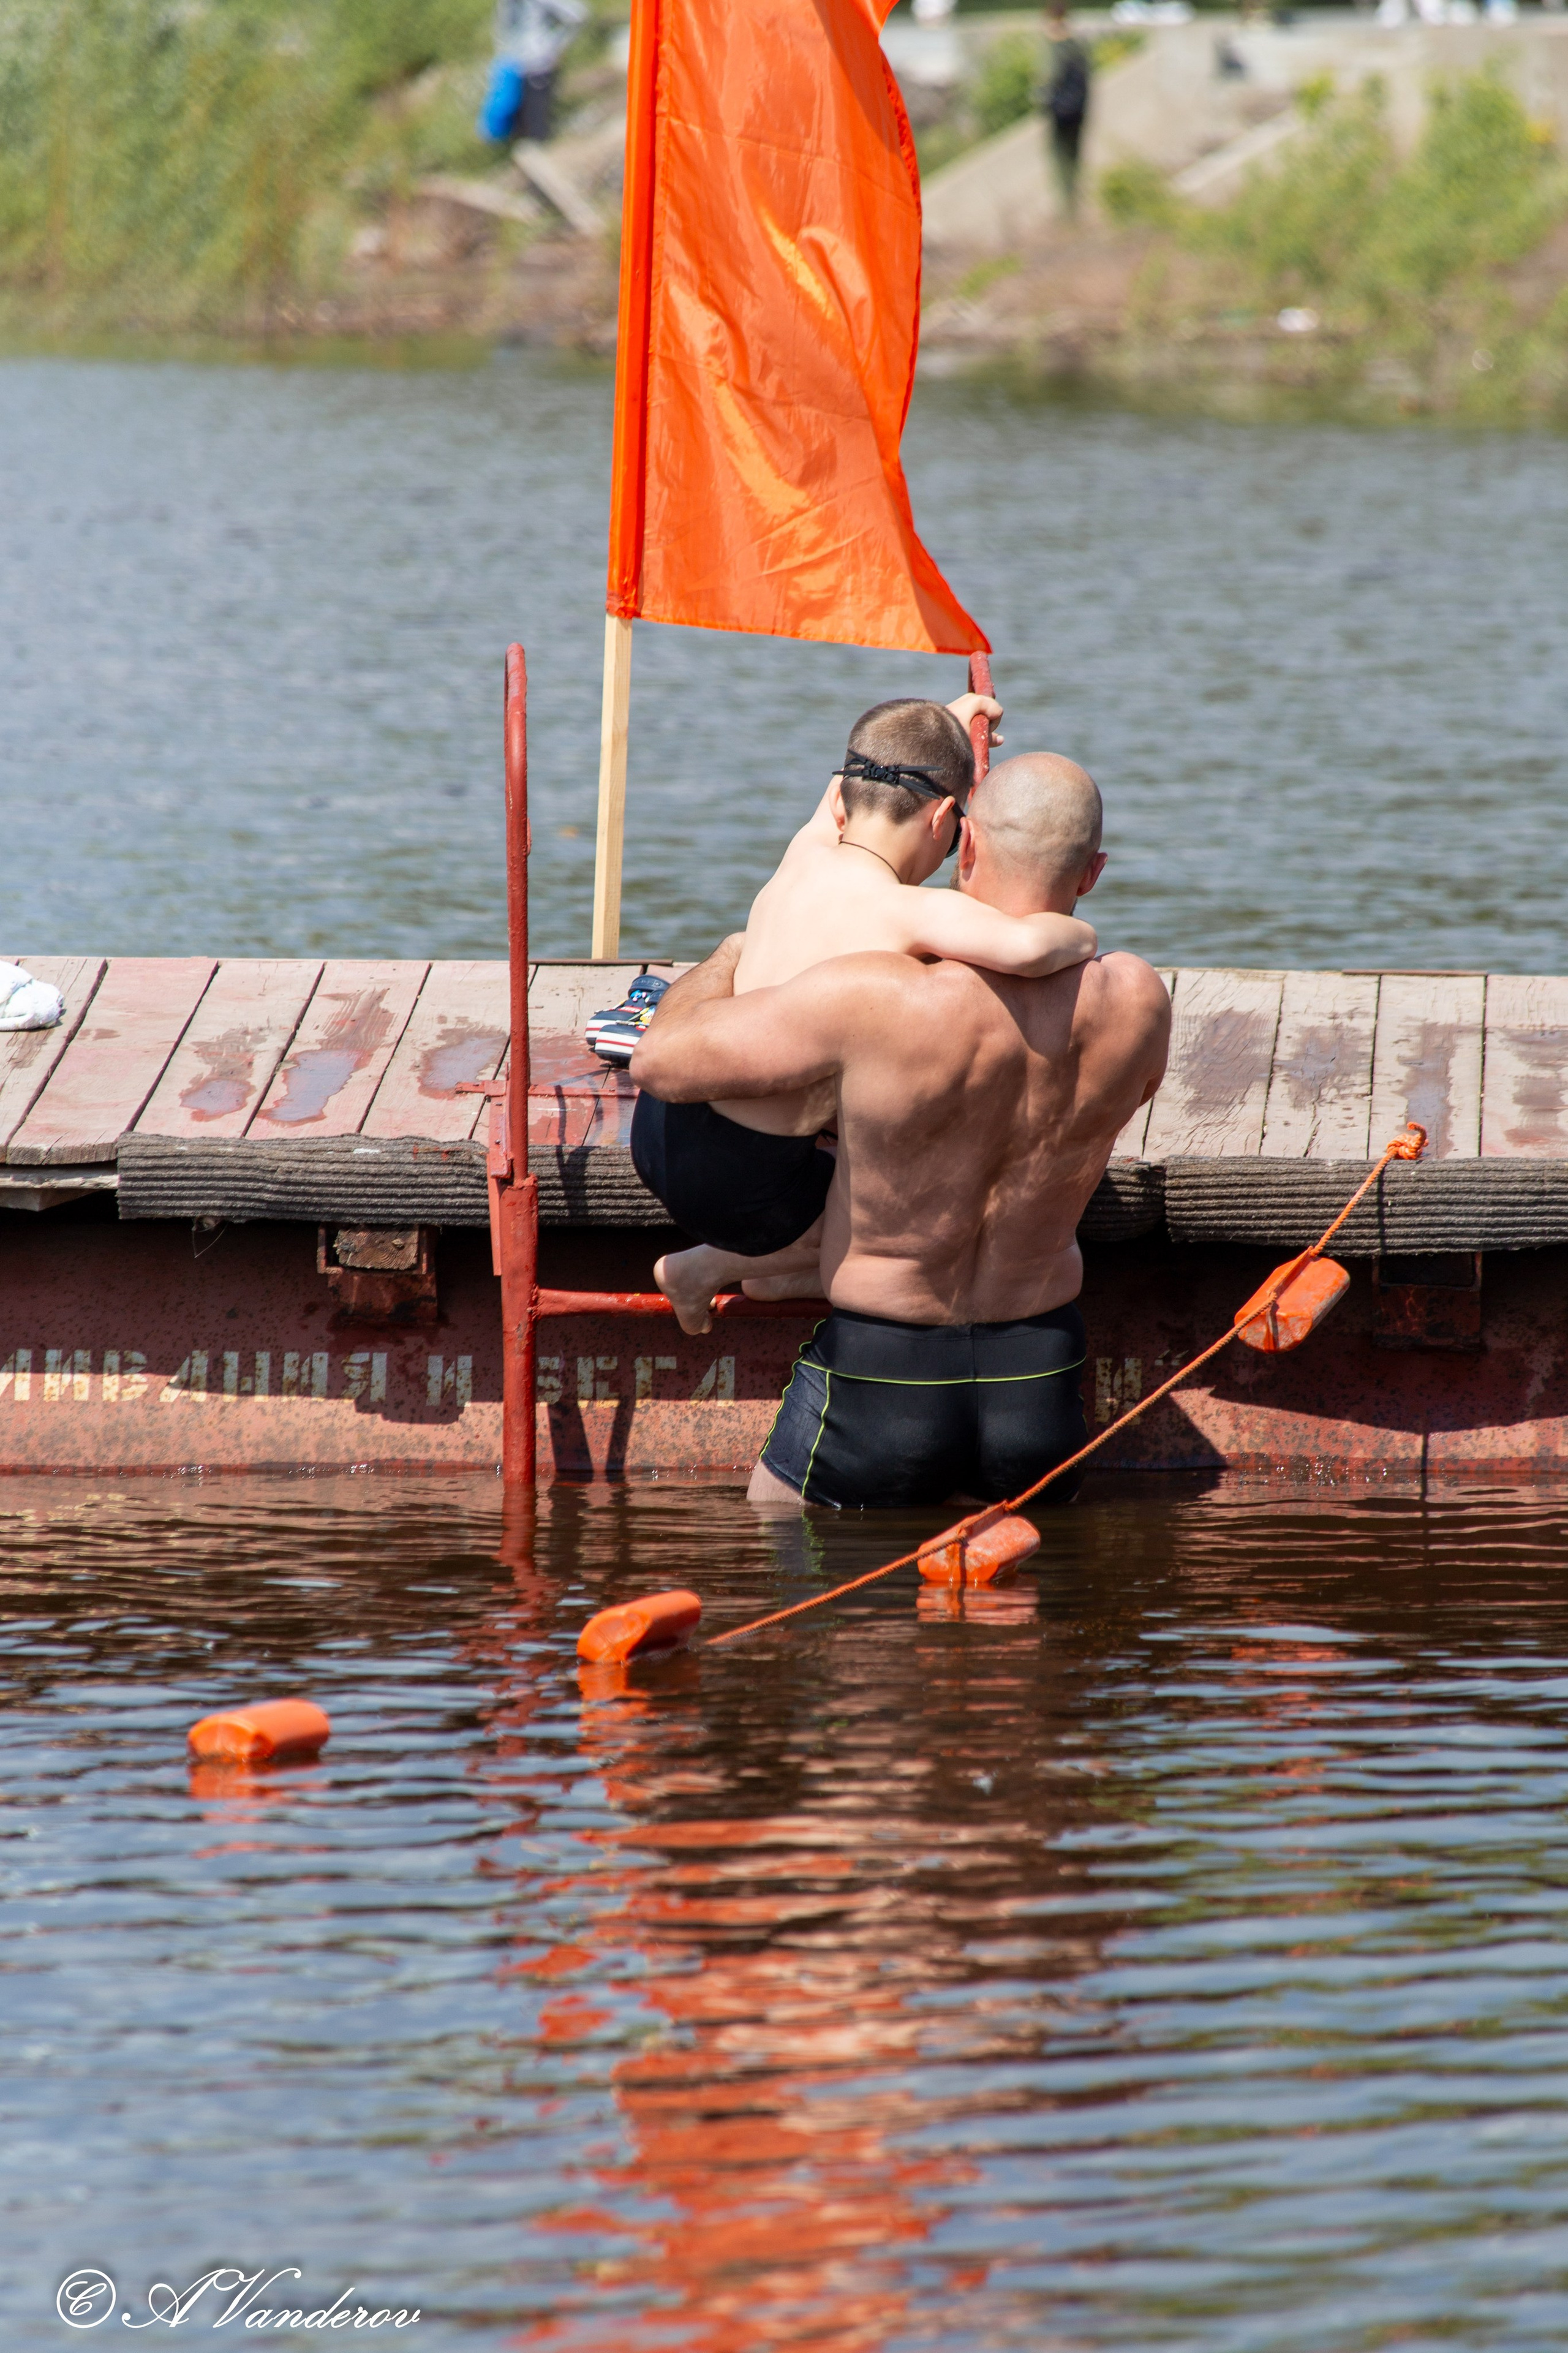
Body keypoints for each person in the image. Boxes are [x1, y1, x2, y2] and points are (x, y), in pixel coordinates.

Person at [630, 752, 1170, 1512]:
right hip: (1036, 1378)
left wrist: (725, 961)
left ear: (968, 846)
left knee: (784, 1572)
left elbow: (660, 1062)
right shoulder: (1140, 999)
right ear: (1093, 873)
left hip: (885, 1375)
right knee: (1007, 1612)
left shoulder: (878, 993)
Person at [630, 695, 1099, 1335]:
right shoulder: (902, 911)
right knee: (904, 1225)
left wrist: (943, 718)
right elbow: (1028, 946)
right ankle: (701, 1269)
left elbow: (861, 766)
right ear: (943, 820)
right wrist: (1086, 938)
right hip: (741, 1185)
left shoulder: (806, 850)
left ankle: (764, 1277)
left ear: (844, 801)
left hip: (661, 1128)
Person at [483, 0, 586, 146]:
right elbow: (504, 28)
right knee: (518, 127)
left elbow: (578, 15)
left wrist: (553, 47)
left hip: (538, 67)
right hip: (515, 68)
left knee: (536, 126)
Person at [1039, 3, 1091, 221]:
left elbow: (1049, 79)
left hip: (1060, 113)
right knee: (1076, 158)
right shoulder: (1078, 44)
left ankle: (1066, 212)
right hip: (1078, 110)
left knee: (1061, 160)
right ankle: (1075, 208)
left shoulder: (1054, 46)